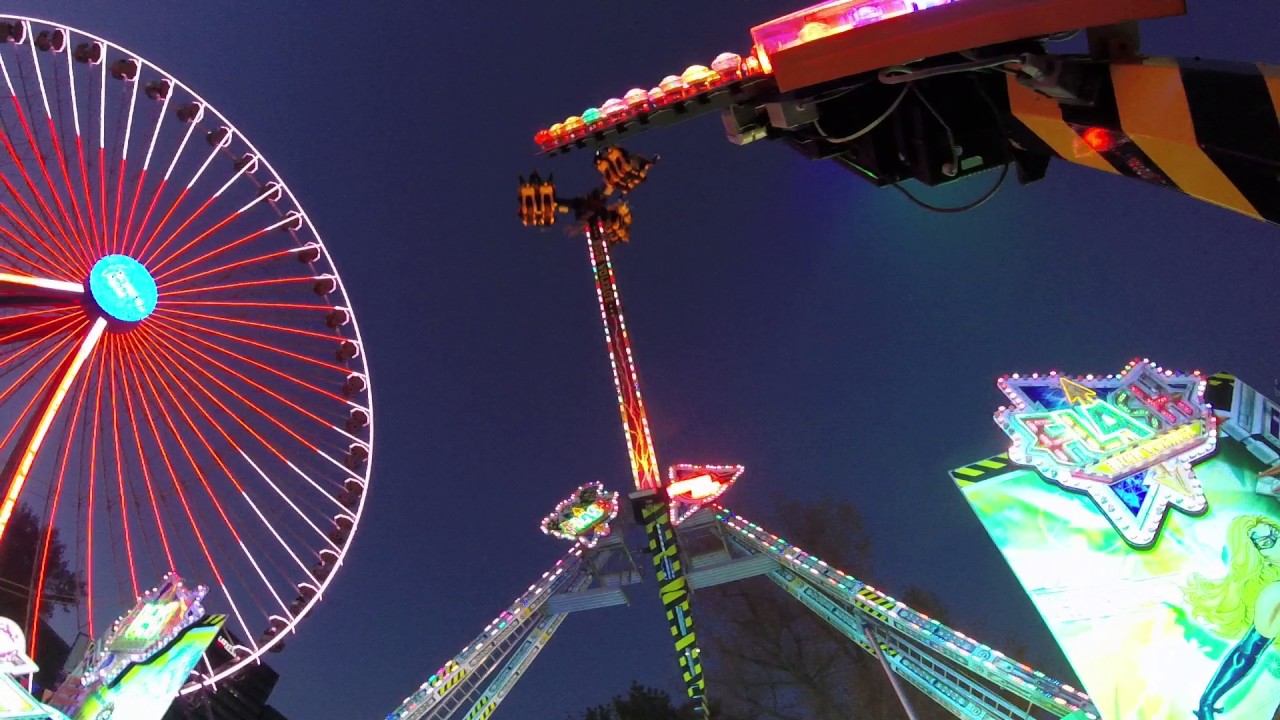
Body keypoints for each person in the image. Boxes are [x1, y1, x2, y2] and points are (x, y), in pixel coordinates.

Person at [1183, 515, 1280, 719]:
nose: (1278, 542)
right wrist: (1208, 702)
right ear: (1257, 555)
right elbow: (1246, 654)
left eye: (1276, 534)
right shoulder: (1274, 593)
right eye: (1266, 542)